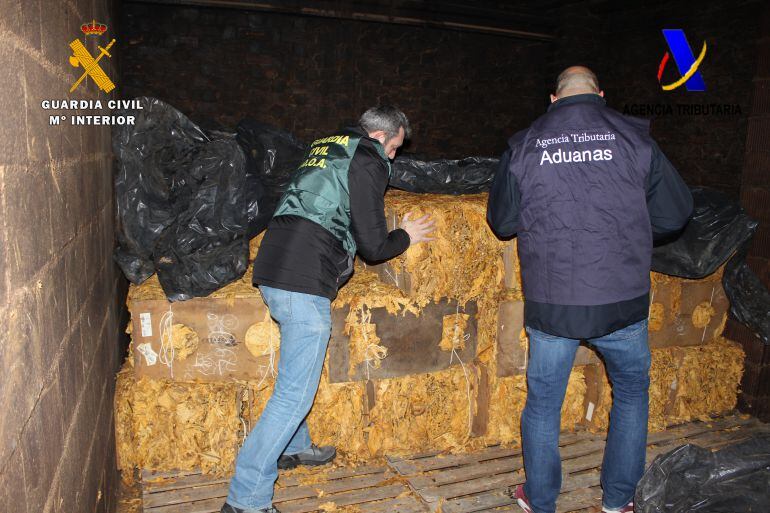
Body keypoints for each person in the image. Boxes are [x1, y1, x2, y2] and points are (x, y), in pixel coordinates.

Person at [487, 66, 693, 513]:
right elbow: (677, 212)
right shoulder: (635, 139)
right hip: (621, 301)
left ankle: (540, 500)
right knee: (633, 394)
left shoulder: (524, 144)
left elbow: (502, 222)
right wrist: (634, 233)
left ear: (553, 99)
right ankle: (619, 500)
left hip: (552, 303)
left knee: (543, 402)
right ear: (600, 94)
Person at [223, 106, 436, 513]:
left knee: (294, 377)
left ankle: (296, 448)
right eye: (395, 148)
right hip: (303, 277)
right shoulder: (368, 157)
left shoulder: (330, 143)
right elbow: (374, 246)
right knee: (292, 395)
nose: (393, 157)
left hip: (275, 265)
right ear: (381, 137)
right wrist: (405, 235)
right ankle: (246, 499)